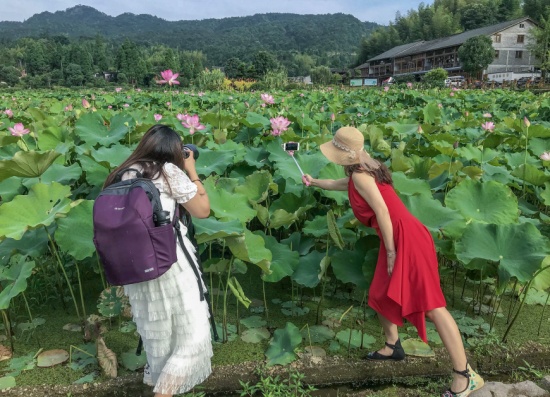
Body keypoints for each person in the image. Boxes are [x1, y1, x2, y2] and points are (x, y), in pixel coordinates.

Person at [302, 126, 485, 397]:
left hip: (405, 239)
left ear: (344, 155)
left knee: (432, 306)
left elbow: (384, 213)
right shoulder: (365, 167)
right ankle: (393, 346)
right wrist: (316, 182)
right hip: (404, 235)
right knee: (379, 292)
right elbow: (346, 186)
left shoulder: (362, 177)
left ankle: (465, 375)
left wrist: (391, 253)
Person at [103, 125, 212, 397]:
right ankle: (162, 393)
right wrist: (192, 169)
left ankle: (161, 385)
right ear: (175, 151)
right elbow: (202, 210)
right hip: (170, 264)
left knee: (159, 334)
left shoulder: (121, 173)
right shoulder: (168, 171)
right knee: (193, 336)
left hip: (135, 267)